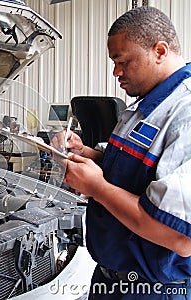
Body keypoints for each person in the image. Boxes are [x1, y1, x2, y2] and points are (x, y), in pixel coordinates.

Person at [51, 6, 191, 299]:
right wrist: (86, 153)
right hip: (109, 280)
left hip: (155, 290)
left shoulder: (185, 113)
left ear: (160, 51)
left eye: (122, 61)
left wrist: (96, 187)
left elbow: (180, 237)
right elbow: (133, 174)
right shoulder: (142, 107)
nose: (116, 72)